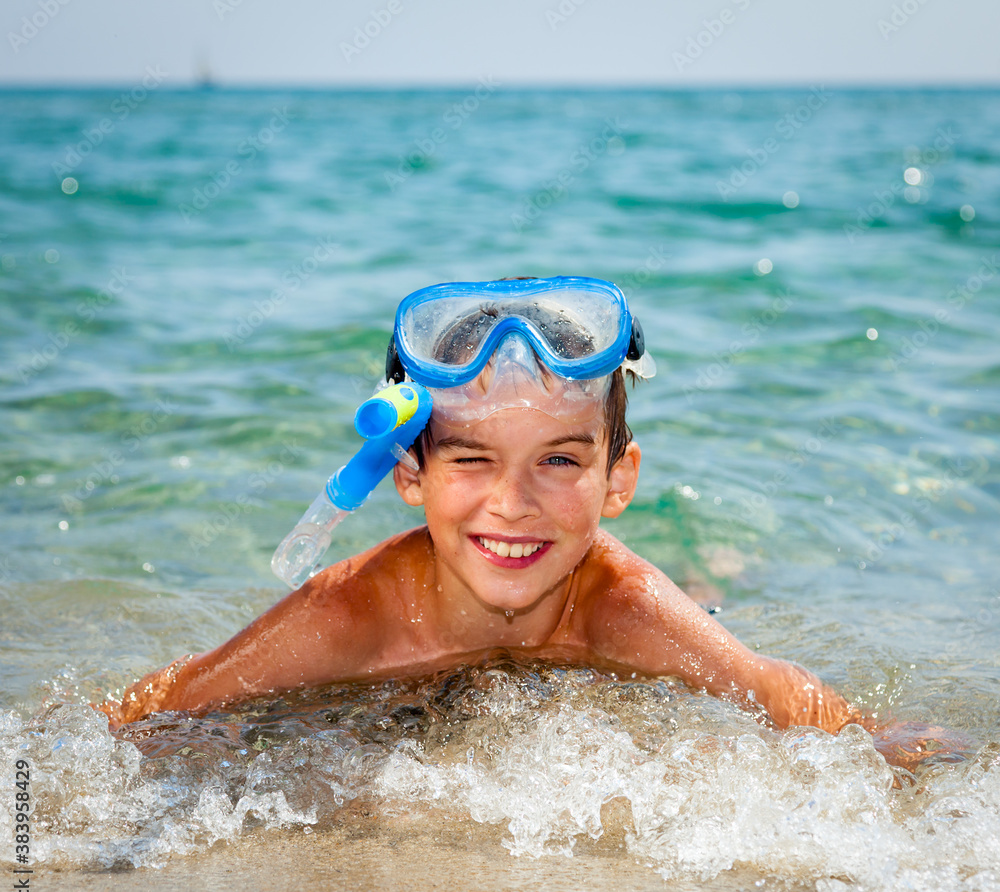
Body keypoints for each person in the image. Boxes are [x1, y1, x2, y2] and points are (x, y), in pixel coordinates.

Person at [102, 276, 969, 770]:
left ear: (616, 479)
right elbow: (174, 699)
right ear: (410, 472)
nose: (512, 504)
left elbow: (783, 694)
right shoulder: (356, 615)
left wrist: (894, 746)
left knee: (703, 603)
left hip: (608, 622)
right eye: (472, 459)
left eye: (558, 460)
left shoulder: (619, 607)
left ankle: (715, 574)